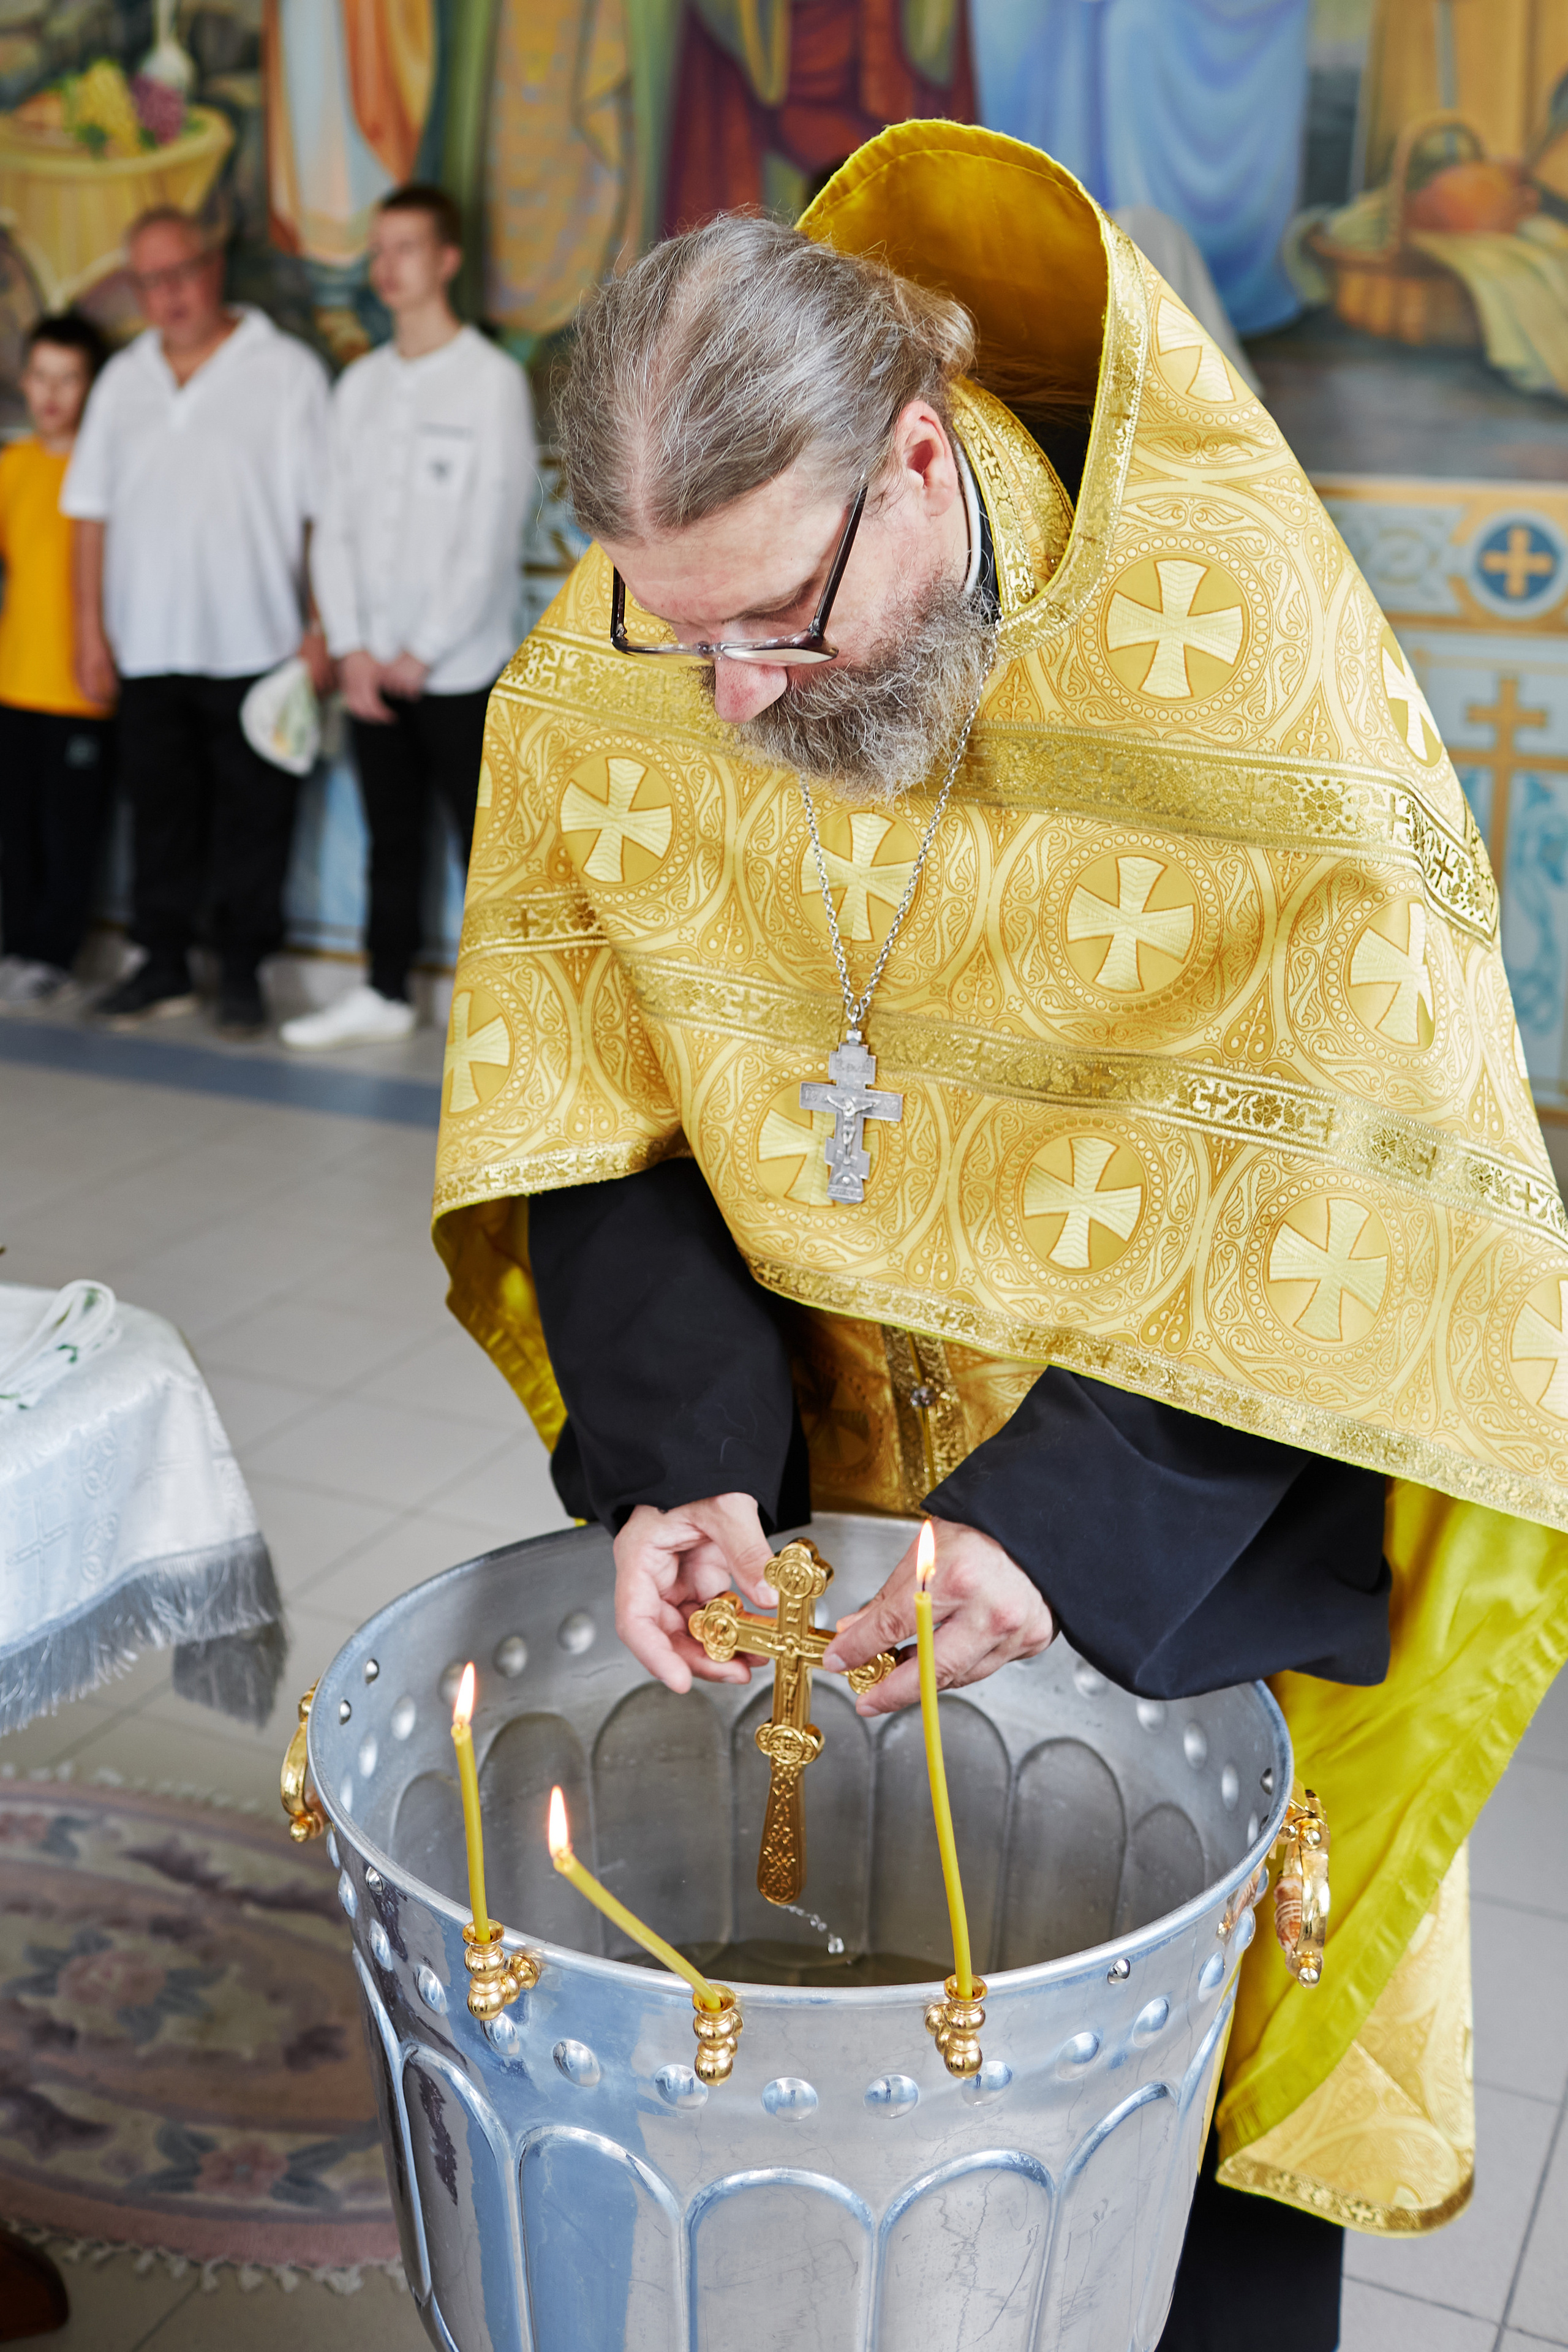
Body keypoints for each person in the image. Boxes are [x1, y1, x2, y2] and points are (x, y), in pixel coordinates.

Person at [431, 127, 1568, 2350]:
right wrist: (681, 1458)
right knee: (824, 2163)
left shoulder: (1234, 651)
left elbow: (1357, 1174)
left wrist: (1065, 1524)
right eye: (677, 628)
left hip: (1171, 1540)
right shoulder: (619, 661)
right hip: (809, 1515)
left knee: (1183, 2159)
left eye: (779, 618)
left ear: (918, 456)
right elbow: (585, 1092)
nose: (729, 694)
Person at [62, 206, 332, 1036]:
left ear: (214, 267)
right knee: (160, 815)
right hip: (146, 643)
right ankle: (163, 963)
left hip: (259, 642)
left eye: (180, 272)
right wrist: (88, 631)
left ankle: (243, 969)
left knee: (257, 817)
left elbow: (325, 517)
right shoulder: (122, 381)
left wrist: (321, 627)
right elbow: (89, 515)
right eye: (149, 281)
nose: (168, 294)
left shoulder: (287, 371)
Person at [284, 183, 537, 1052]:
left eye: (406, 248)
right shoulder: (358, 386)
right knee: (388, 837)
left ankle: (509, 1018)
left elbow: (491, 533)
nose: (386, 267)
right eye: (378, 249)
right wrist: (353, 645)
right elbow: (335, 526)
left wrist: (422, 651)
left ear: (447, 260)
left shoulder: (491, 382)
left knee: (485, 845)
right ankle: (384, 991)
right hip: (370, 666)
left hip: (459, 666)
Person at [0, 313, 112, 1006]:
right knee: (14, 828)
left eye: (68, 379)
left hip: (80, 689)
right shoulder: (11, 466)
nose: (51, 394)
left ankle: (54, 954)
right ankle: (15, 944)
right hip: (14, 683)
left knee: (71, 832)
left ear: (92, 387)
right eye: (41, 377)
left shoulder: (103, 472)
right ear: (24, 380)